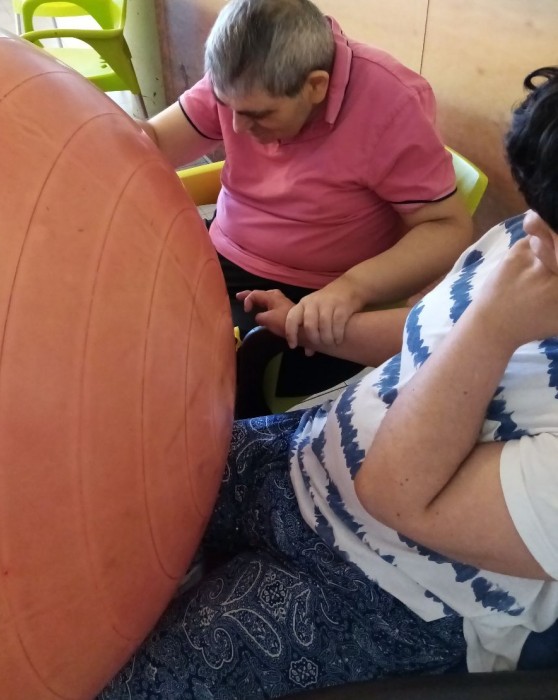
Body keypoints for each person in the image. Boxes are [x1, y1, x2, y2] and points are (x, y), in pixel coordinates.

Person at [97, 66, 558, 699]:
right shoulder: (536, 251)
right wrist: (313, 327)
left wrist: (493, 325)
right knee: (108, 485)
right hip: (304, 453)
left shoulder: (521, 291)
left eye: (554, 225)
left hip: (376, 588)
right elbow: (429, 331)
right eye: (538, 208)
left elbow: (396, 496)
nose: (528, 230)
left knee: (121, 684)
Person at [137, 0, 473, 344]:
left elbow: (446, 227)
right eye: (226, 106)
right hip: (223, 251)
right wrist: (110, 130)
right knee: (135, 309)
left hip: (318, 290)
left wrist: (353, 288)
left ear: (316, 86)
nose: (236, 127)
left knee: (199, 353)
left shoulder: (391, 104)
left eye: (259, 115)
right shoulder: (243, 75)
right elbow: (155, 141)